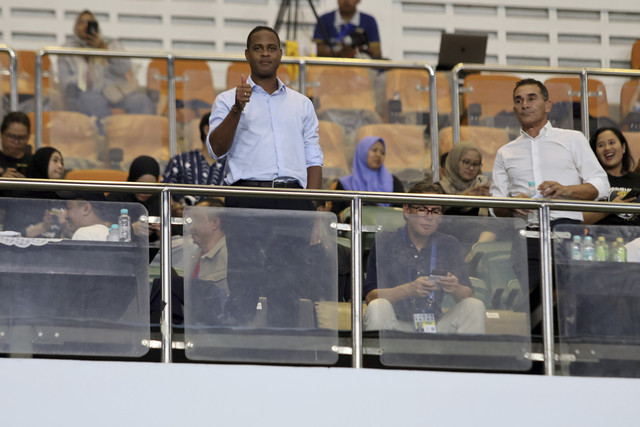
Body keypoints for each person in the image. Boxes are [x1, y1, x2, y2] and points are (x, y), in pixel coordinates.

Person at [207, 26, 323, 326]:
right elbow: (216, 149)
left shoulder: (302, 104)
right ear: (247, 55)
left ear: (281, 54)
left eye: (271, 47)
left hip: (292, 199)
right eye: (258, 48)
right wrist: (237, 108)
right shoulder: (227, 100)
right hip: (247, 197)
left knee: (288, 284)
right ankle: (239, 357)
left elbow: (313, 156)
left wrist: (311, 208)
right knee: (244, 280)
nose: (265, 53)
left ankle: (283, 356)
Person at [490, 78, 610, 332]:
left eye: (531, 98)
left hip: (571, 232)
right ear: (514, 109)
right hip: (528, 236)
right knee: (538, 308)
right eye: (519, 100)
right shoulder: (505, 153)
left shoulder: (573, 139)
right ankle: (542, 364)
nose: (524, 104)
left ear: (548, 105)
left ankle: (578, 359)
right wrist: (510, 203)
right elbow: (494, 207)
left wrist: (568, 190)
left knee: (578, 301)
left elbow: (601, 185)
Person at [363, 180, 485, 333]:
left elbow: (467, 294)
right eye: (422, 209)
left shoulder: (449, 243)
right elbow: (371, 297)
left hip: (436, 324)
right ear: (406, 210)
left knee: (474, 306)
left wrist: (455, 288)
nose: (429, 217)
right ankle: (380, 357)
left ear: (441, 216)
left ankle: (466, 357)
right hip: (396, 324)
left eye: (435, 211)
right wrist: (409, 289)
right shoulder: (386, 242)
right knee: (378, 307)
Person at [57, 10, 154, 128]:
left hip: (117, 92)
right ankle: (102, 141)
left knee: (141, 101)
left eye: (90, 23)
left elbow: (125, 68)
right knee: (93, 102)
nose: (85, 26)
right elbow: (64, 81)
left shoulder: (111, 44)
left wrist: (105, 50)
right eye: (81, 22)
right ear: (75, 27)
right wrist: (82, 79)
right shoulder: (66, 50)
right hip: (86, 94)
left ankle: (141, 141)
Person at [162, 112, 226, 213]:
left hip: (221, 225)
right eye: (225, 128)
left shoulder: (232, 166)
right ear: (207, 130)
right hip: (183, 224)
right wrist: (173, 209)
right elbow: (164, 195)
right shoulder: (180, 161)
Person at [329, 136, 404, 218]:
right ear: (362, 152)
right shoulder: (344, 184)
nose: (379, 155)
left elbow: (402, 213)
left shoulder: (393, 182)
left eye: (382, 152)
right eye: (374, 150)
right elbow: (334, 217)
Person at [584, 127, 640, 226]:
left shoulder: (637, 180)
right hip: (601, 239)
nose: (607, 148)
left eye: (612, 142)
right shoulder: (592, 184)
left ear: (623, 147)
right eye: (601, 145)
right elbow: (580, 219)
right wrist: (610, 208)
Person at [107, 155, 161, 241]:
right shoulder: (116, 198)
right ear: (132, 180)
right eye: (141, 185)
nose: (145, 192)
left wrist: (163, 233)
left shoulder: (160, 200)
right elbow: (105, 229)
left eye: (151, 186)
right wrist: (130, 229)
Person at [436, 140, 490, 216]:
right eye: (466, 162)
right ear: (454, 161)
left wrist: (492, 200)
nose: (471, 168)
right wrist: (463, 199)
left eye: (476, 164)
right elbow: (439, 219)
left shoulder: (483, 190)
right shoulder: (438, 190)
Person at [313, 0, 382, 59]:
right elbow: (319, 52)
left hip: (361, 68)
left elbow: (377, 52)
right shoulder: (324, 20)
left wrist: (359, 51)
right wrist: (338, 53)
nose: (346, 1)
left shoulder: (369, 21)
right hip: (331, 68)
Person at [187, 199, 228, 296]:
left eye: (196, 220)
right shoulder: (195, 256)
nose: (190, 227)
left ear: (215, 223)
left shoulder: (229, 256)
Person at [0, 112, 31, 178]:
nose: (16, 142)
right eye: (12, 136)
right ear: (2, 134)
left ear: (28, 137)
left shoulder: (34, 164)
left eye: (21, 138)